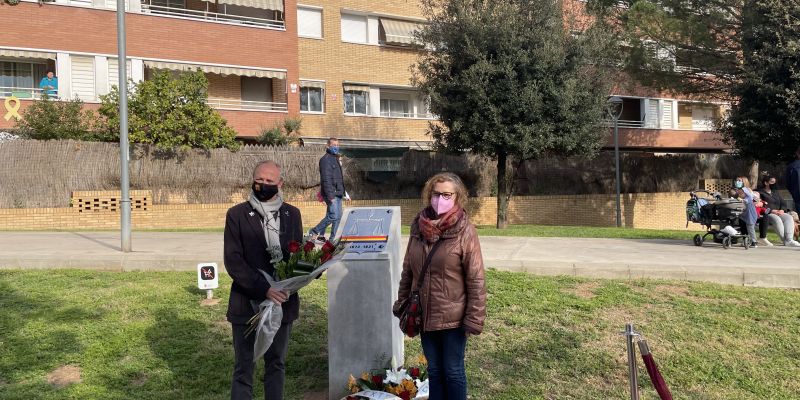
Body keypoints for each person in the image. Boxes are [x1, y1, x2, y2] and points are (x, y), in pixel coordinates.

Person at [393, 172, 487, 400]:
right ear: (429, 195)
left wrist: (474, 317)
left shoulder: (465, 231)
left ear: (457, 197)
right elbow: (408, 270)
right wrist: (402, 302)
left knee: (453, 371)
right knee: (434, 372)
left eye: (447, 194)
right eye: (436, 194)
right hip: (424, 314)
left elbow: (476, 278)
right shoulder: (418, 227)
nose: (440, 199)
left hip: (454, 316)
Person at [224, 160, 303, 400]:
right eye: (259, 180)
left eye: (269, 181)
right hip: (246, 304)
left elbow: (298, 255)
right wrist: (264, 289)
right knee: (244, 367)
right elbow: (233, 261)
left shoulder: (292, 214)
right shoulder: (236, 214)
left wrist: (312, 268)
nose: (263, 184)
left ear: (280, 184)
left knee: (276, 363)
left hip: (282, 304)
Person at [308, 138, 345, 242]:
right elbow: (326, 179)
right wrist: (330, 195)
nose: (336, 147)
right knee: (334, 216)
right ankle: (314, 231)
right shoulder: (325, 160)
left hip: (338, 192)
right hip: (331, 193)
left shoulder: (335, 158)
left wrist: (343, 192)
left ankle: (333, 240)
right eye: (334, 145)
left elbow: (339, 178)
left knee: (338, 218)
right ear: (328, 146)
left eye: (338, 145)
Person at [755, 176, 800, 247]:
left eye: (774, 182)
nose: (774, 184)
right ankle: (785, 240)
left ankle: (789, 240)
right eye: (772, 182)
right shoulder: (759, 192)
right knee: (777, 219)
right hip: (767, 213)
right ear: (766, 183)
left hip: (779, 212)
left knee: (788, 217)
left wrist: (782, 210)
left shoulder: (775, 192)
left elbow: (783, 203)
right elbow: (760, 204)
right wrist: (772, 211)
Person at [734, 176, 758, 247]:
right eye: (737, 180)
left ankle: (754, 241)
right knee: (745, 226)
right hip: (743, 209)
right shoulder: (739, 189)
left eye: (739, 181)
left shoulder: (746, 189)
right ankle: (747, 240)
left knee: (750, 226)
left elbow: (750, 197)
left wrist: (744, 200)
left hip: (749, 209)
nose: (737, 182)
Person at [787, 146, 800, 212]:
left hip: (797, 196)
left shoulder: (791, 166)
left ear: (797, 153)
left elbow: (788, 184)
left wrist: (794, 193)